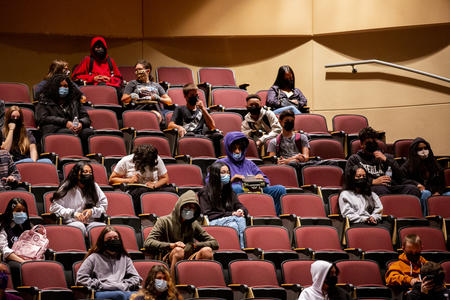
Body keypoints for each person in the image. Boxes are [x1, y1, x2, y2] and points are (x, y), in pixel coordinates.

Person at [144, 190, 219, 278]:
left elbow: (214, 243)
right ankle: (174, 287)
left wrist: (195, 246)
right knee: (178, 251)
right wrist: (171, 245)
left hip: (189, 256)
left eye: (192, 208)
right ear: (180, 206)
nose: (190, 210)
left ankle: (203, 284)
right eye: (187, 206)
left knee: (207, 251)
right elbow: (148, 242)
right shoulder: (164, 221)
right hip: (169, 257)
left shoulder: (193, 224)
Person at [217, 131, 286, 215]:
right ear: (228, 148)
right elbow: (211, 184)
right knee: (237, 188)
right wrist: (232, 180)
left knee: (279, 189)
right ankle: (243, 216)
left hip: (255, 189)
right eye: (234, 149)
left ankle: (275, 217)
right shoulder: (220, 163)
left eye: (240, 148)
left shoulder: (249, 163)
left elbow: (266, 180)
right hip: (234, 194)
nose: (238, 151)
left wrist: (261, 178)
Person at [345, 127, 420, 198]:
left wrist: (386, 160)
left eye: (374, 142)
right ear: (361, 144)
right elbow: (349, 179)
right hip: (370, 188)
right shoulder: (355, 159)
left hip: (391, 187)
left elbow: (401, 176)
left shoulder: (386, 157)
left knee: (413, 190)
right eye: (368, 143)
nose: (371, 145)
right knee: (381, 190)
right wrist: (373, 181)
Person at [77, 226, 142, 300]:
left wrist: (124, 284)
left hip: (122, 289)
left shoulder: (125, 258)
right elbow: (81, 278)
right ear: (103, 242)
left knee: (141, 296)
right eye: (109, 239)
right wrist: (99, 285)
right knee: (120, 295)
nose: (113, 240)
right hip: (102, 291)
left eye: (116, 238)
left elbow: (136, 278)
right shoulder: (93, 257)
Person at [35, 74, 94, 154]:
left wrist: (81, 123)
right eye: (60, 86)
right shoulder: (45, 101)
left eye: (66, 86)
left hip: (74, 128)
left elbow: (86, 117)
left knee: (88, 132)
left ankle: (85, 156)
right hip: (54, 129)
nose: (64, 89)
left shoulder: (74, 101)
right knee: (68, 133)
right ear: (54, 87)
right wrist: (65, 122)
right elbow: (42, 118)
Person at [109, 144, 176, 215]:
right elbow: (112, 179)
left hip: (154, 188)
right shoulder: (126, 161)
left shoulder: (156, 159)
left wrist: (155, 185)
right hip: (135, 189)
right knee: (140, 192)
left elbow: (165, 178)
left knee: (172, 190)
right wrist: (129, 180)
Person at [198, 161, 248, 248]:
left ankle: (238, 250)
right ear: (215, 175)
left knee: (235, 224)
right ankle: (243, 249)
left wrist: (241, 210)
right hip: (212, 222)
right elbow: (208, 214)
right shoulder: (205, 192)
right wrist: (231, 214)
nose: (227, 175)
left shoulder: (229, 191)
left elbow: (239, 205)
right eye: (223, 173)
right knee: (238, 220)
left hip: (230, 220)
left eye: (228, 172)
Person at [50, 161, 107, 236]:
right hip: (72, 222)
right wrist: (73, 213)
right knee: (79, 227)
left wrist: (92, 211)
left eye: (90, 172)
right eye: (85, 172)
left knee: (101, 228)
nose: (88, 174)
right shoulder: (66, 187)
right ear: (76, 174)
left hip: (91, 222)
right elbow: (54, 207)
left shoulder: (94, 186)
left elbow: (103, 205)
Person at [168, 83, 222, 156]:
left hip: (200, 136)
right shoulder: (180, 109)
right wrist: (179, 127)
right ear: (186, 96)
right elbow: (170, 125)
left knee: (218, 136)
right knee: (190, 134)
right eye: (192, 95)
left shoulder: (202, 110)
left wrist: (203, 109)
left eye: (196, 95)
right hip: (186, 135)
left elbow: (212, 126)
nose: (195, 97)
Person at [401, 137, 450, 216]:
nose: (423, 151)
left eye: (425, 148)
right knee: (426, 193)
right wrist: (416, 184)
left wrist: (438, 192)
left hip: (435, 193)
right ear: (415, 151)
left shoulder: (434, 163)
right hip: (419, 193)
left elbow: (442, 184)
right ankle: (425, 218)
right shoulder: (408, 165)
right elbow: (402, 180)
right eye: (420, 149)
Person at [122, 60, 172, 125]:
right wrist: (130, 96)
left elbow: (169, 101)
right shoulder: (132, 83)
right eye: (136, 70)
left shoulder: (156, 85)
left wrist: (159, 98)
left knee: (156, 115)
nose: (137, 72)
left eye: (139, 69)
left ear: (148, 71)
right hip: (138, 108)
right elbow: (124, 99)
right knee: (153, 116)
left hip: (154, 108)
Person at [267, 109, 310, 182]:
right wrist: (295, 158)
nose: (289, 123)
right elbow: (274, 162)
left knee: (330, 163)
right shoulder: (273, 142)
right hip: (286, 168)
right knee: (293, 164)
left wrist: (290, 160)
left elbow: (306, 158)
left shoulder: (302, 137)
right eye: (286, 121)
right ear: (280, 122)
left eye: (292, 121)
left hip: (301, 165)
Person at [0, 198, 32, 287]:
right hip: (12, 259)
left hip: (28, 258)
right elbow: (5, 251)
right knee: (17, 267)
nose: (21, 213)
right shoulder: (3, 227)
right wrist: (23, 262)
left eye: (24, 211)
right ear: (11, 211)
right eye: (18, 211)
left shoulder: (28, 227)